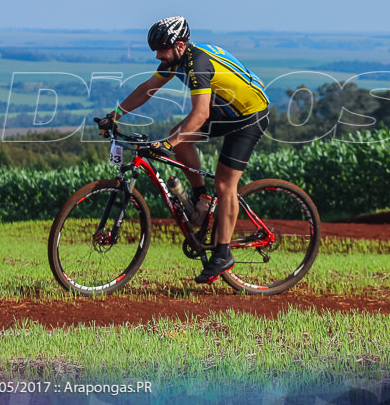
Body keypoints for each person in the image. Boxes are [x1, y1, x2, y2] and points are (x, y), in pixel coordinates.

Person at [99, 16, 270, 283]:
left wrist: (167, 146)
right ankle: (201, 199)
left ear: (179, 45)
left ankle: (223, 254)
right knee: (179, 138)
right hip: (225, 109)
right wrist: (116, 114)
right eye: (155, 49)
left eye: (162, 49)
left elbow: (200, 114)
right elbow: (147, 89)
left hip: (249, 116)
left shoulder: (197, 64)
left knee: (225, 185)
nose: (158, 55)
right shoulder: (175, 59)